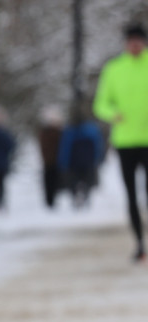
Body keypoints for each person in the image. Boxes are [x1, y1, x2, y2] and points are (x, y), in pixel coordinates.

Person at [93, 22, 148, 261]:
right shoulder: (114, 69)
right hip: (125, 141)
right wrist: (113, 114)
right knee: (131, 194)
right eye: (131, 41)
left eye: (139, 40)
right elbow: (100, 104)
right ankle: (139, 243)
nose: (135, 45)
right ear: (126, 44)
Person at [58, 106, 105, 208]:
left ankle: (78, 197)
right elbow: (98, 145)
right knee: (86, 181)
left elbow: (65, 148)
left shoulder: (69, 131)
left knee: (75, 181)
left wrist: (63, 162)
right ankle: (84, 196)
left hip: (74, 163)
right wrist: (98, 159)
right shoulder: (92, 129)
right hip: (87, 162)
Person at [37, 106, 65, 208]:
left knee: (53, 182)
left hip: (54, 162)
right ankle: (50, 202)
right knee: (50, 182)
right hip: (50, 162)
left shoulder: (57, 133)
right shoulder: (49, 133)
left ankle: (52, 201)